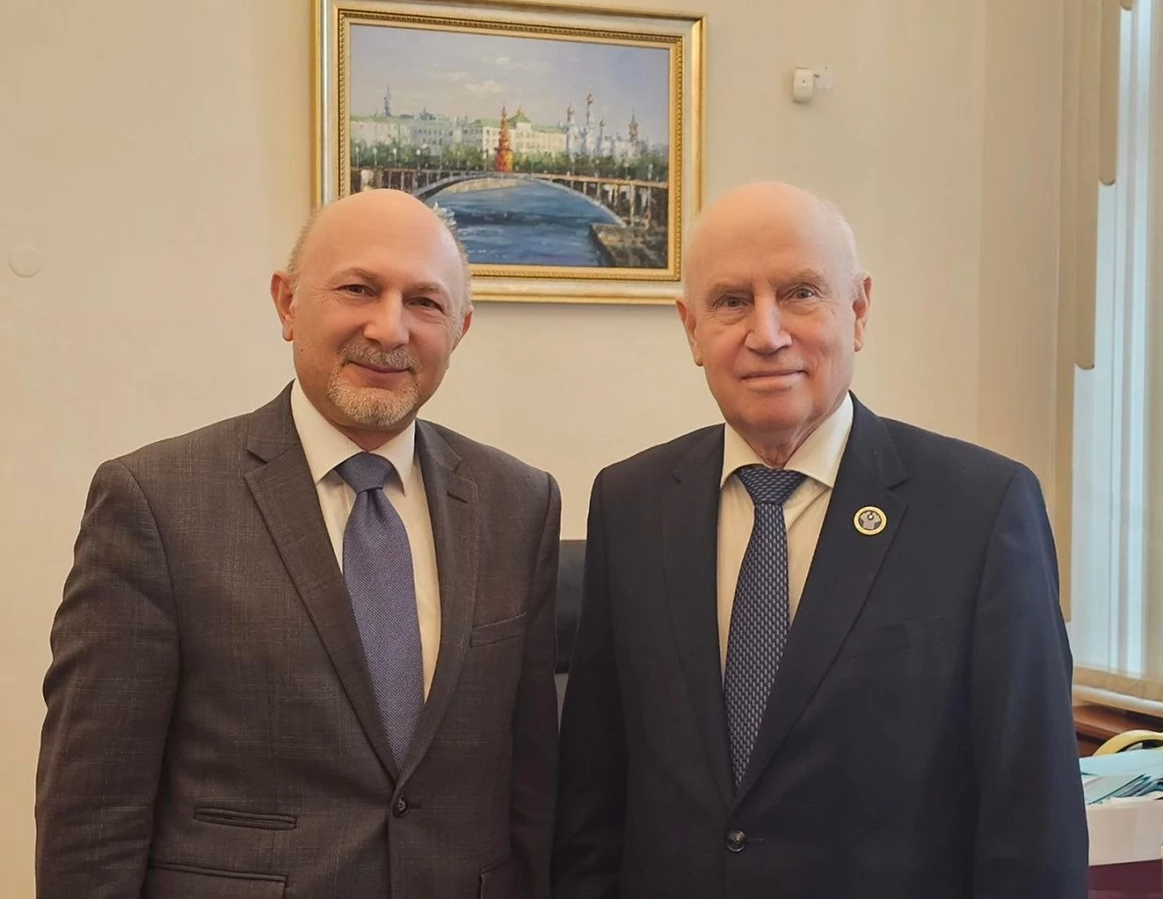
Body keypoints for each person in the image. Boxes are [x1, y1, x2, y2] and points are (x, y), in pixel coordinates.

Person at [553, 182, 1087, 898]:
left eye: (800, 293)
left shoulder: (983, 510)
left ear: (858, 311)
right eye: (731, 301)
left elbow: (1033, 813)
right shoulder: (630, 503)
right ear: (691, 329)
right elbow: (594, 793)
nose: (767, 334)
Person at [36, 189, 560, 899]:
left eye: (425, 302)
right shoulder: (155, 501)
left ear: (460, 329)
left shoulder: (519, 503)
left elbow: (530, 787)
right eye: (358, 289)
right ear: (287, 304)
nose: (389, 328)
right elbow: (94, 811)